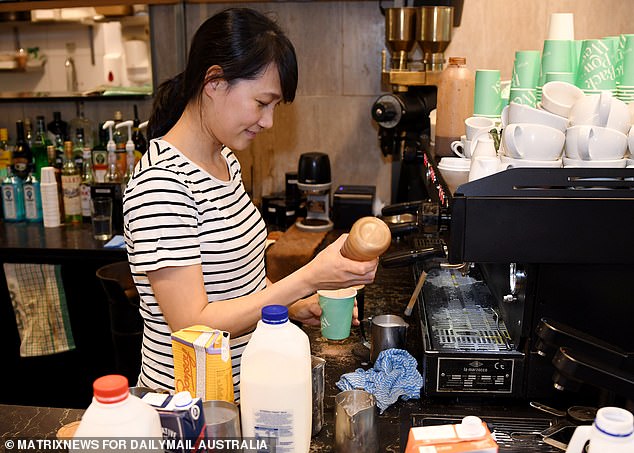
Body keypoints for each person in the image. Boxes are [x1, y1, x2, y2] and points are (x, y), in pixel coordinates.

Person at [123, 8, 378, 399]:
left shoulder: (224, 161)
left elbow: (239, 281)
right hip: (192, 411)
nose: (269, 121)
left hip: (244, 394)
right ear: (214, 82)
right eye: (262, 102)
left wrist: (291, 305)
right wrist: (307, 278)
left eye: (275, 107)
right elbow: (195, 326)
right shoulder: (162, 184)